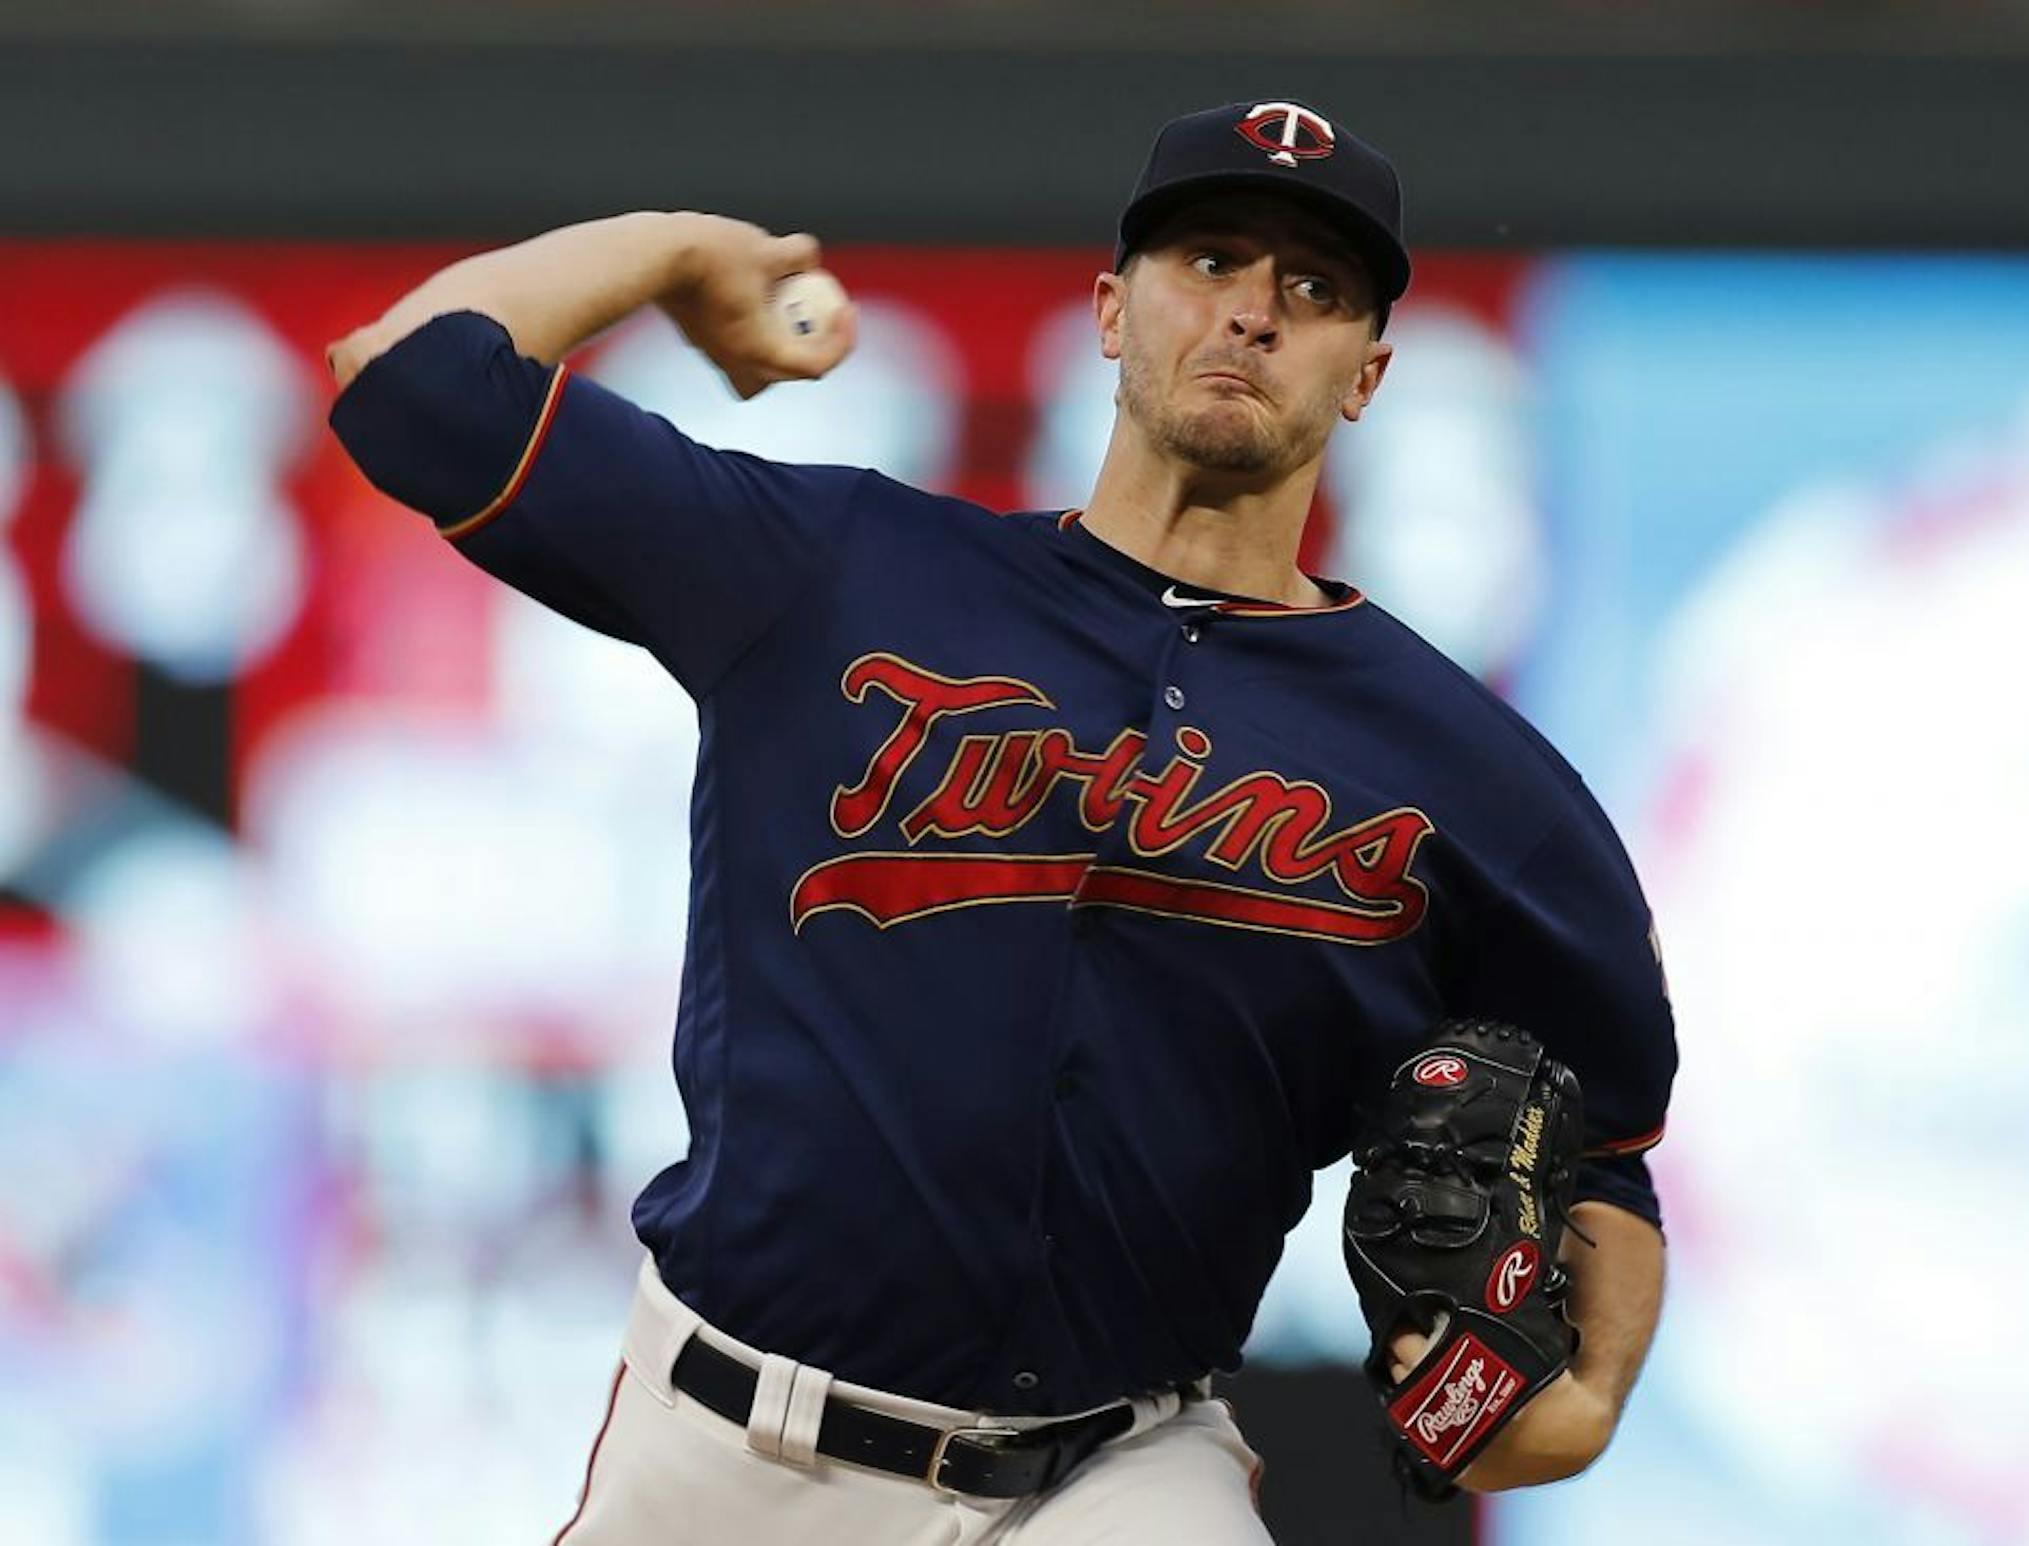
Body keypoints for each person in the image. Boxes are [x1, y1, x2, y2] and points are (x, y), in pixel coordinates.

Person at [325, 98, 1676, 1545]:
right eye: (1208, 260)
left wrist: (1585, 1393)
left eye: (1314, 290)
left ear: (1368, 374)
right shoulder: (840, 573)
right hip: (732, 1450)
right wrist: (672, 248)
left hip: (1120, 1471)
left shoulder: (1473, 777)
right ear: (1109, 310)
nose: (1253, 314)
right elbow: (403, 385)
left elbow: (1605, 1135)